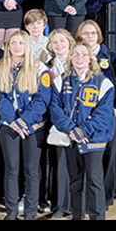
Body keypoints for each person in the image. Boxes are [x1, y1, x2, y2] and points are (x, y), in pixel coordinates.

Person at [49, 42, 115, 220]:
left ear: (90, 59)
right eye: (76, 54)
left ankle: (97, 217)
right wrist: (72, 130)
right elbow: (55, 110)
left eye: (83, 55)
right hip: (71, 139)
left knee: (94, 182)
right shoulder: (61, 80)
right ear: (70, 58)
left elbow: (103, 114)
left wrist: (83, 131)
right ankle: (76, 216)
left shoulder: (103, 83)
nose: (79, 58)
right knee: (75, 181)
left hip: (94, 139)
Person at [75, 19, 116, 208]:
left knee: (107, 157)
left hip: (107, 118)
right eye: (85, 33)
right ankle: (82, 199)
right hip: (83, 119)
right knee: (83, 159)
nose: (89, 36)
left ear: (98, 35)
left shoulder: (110, 56)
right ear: (79, 36)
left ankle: (105, 199)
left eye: (92, 33)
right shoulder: (76, 56)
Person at [0, 30, 51, 220]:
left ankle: (29, 213)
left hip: (32, 127)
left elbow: (42, 99)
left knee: (32, 171)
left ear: (27, 46)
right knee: (11, 169)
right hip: (8, 126)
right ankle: (11, 212)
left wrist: (23, 120)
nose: (17, 47)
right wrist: (12, 120)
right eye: (13, 43)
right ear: (8, 46)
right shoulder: (0, 67)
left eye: (21, 43)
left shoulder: (39, 68)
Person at [45, 28, 75, 218]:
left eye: (62, 41)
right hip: (51, 120)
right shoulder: (46, 67)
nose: (59, 45)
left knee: (72, 164)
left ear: (70, 43)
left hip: (73, 121)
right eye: (55, 42)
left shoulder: (78, 64)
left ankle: (71, 205)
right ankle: (57, 203)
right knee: (56, 164)